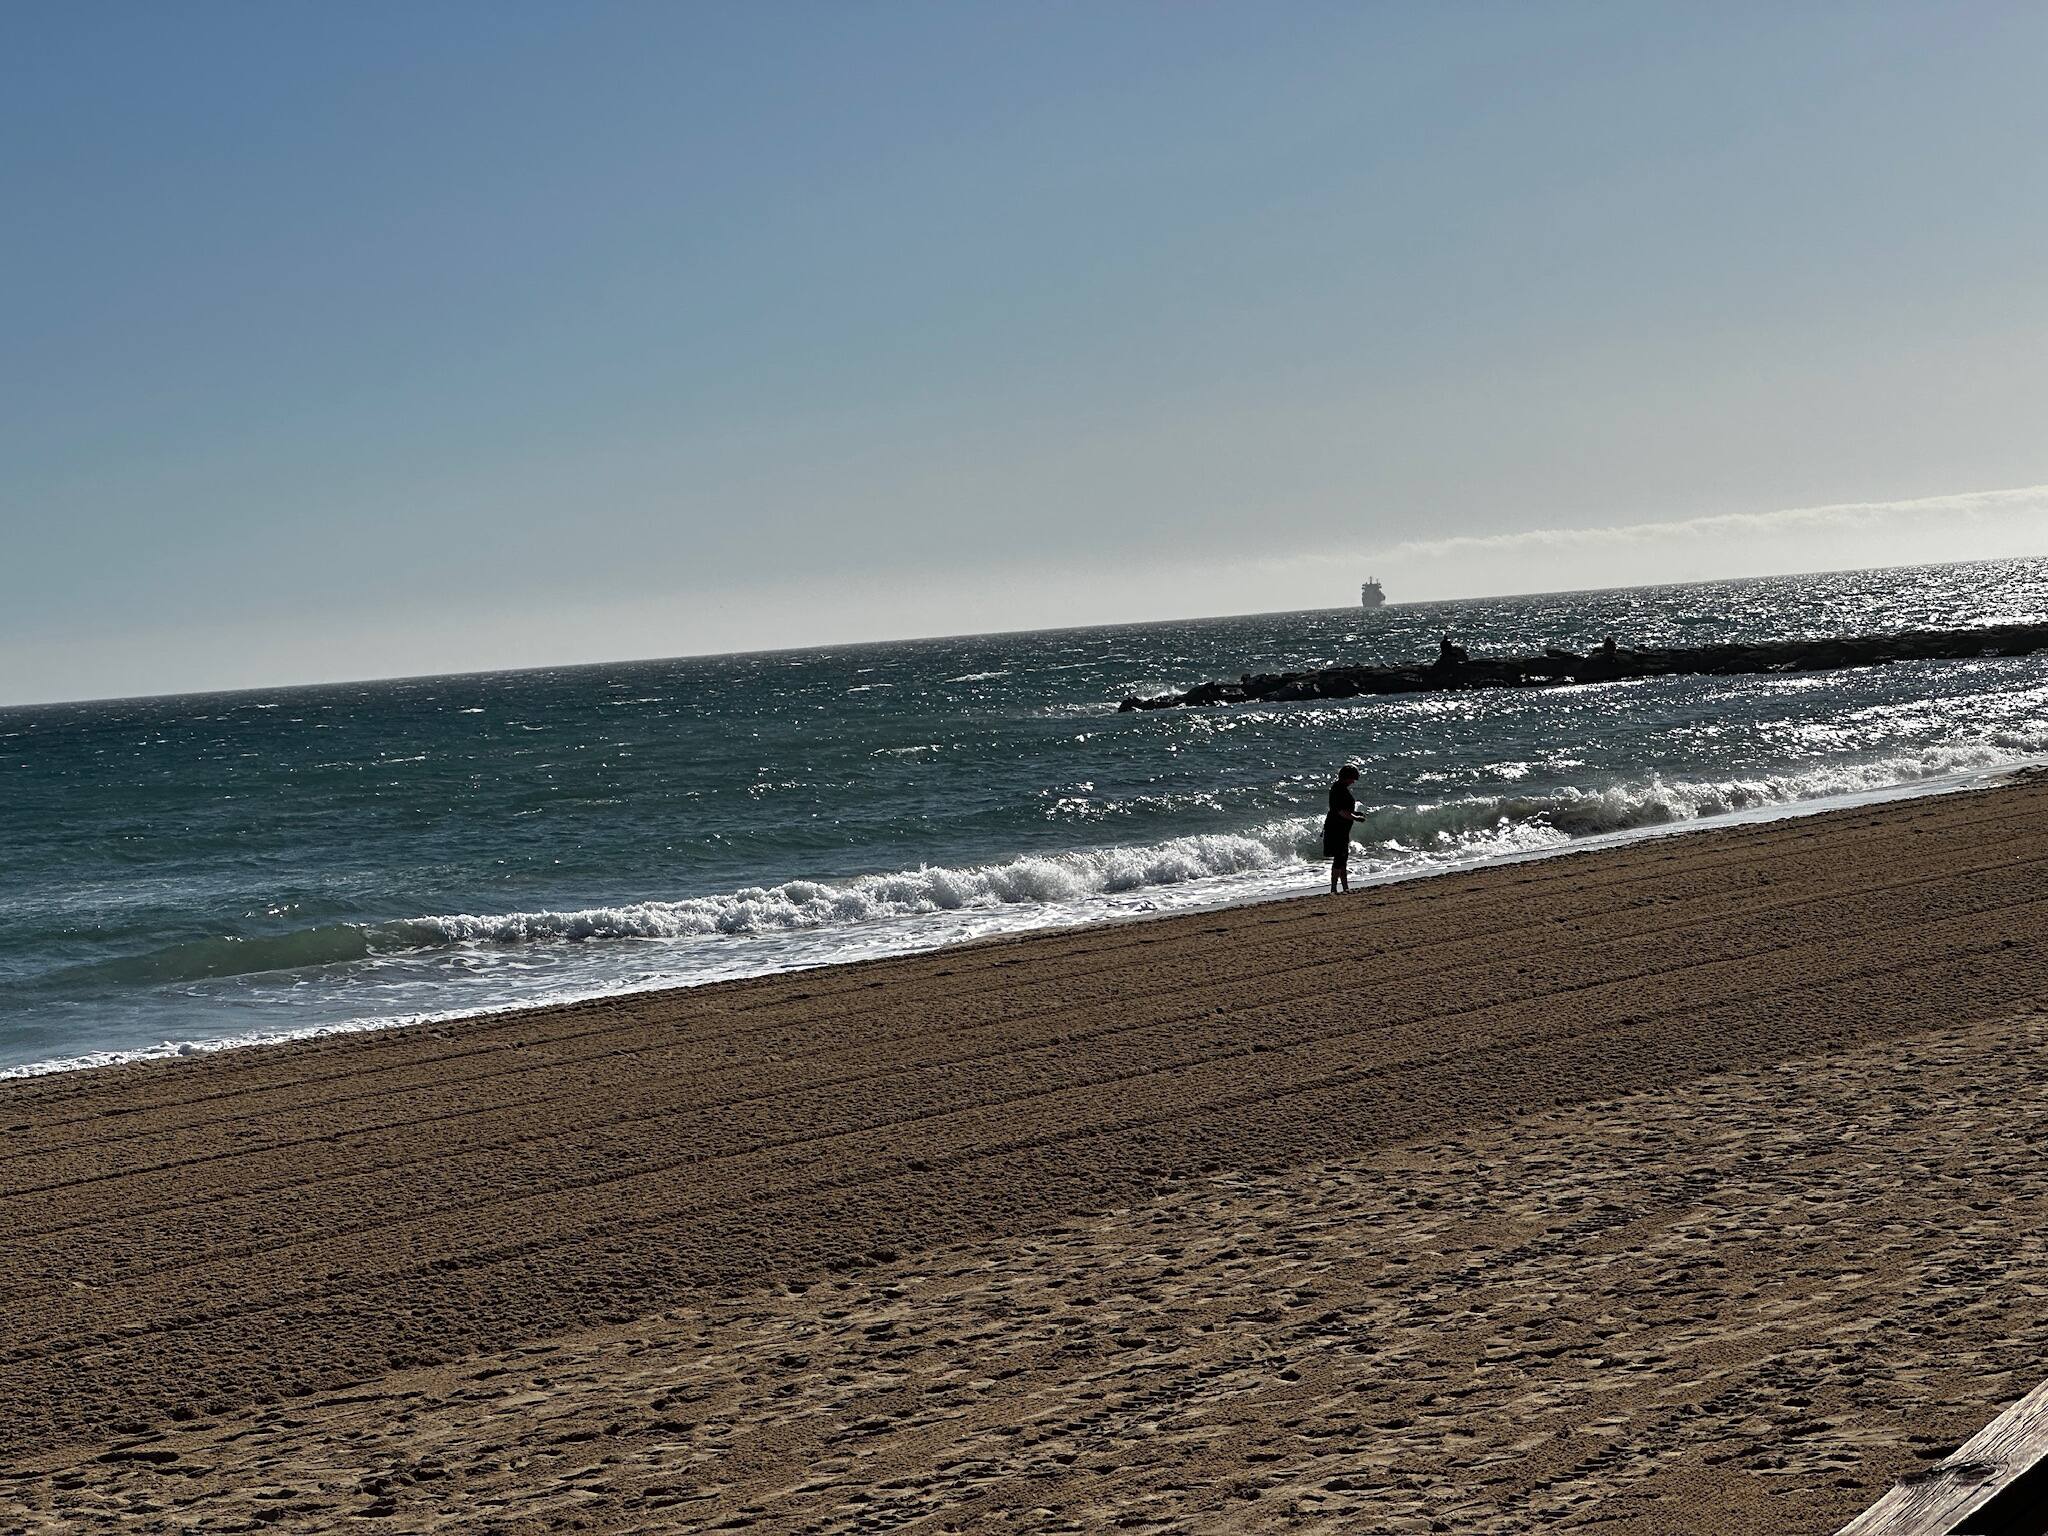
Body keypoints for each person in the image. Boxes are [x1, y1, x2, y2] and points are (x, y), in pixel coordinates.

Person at [1323, 764, 1361, 893]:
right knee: (1339, 858)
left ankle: (1345, 887)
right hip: (1336, 828)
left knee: (1342, 858)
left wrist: (1355, 814)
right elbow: (1341, 811)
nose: (1353, 782)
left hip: (1341, 828)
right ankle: (1334, 888)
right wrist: (1356, 818)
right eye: (1352, 778)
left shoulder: (1340, 788)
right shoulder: (1338, 790)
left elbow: (1344, 810)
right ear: (1346, 777)